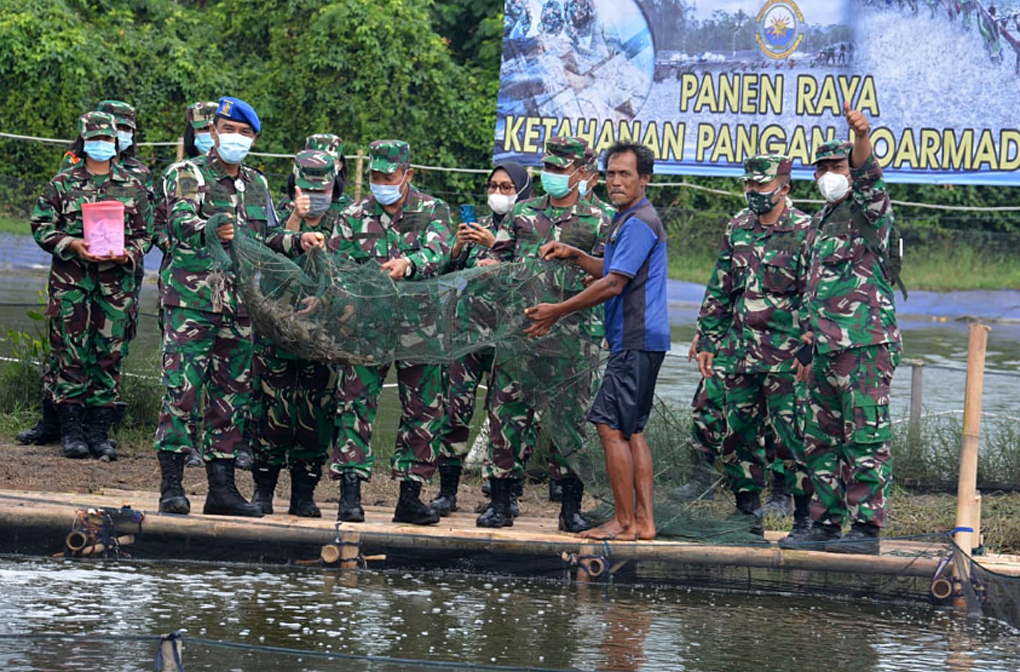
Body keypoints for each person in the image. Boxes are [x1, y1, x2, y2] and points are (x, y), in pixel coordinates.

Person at [154, 96, 324, 517]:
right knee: (182, 390)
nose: (236, 139)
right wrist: (209, 225)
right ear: (212, 132)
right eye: (229, 130)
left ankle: (222, 490)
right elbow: (179, 221)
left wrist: (296, 240)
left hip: (240, 305)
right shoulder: (187, 173)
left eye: (245, 134)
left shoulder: (257, 184)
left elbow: (263, 239)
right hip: (193, 300)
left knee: (232, 395)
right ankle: (172, 487)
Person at [524, 141, 668, 541]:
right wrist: (574, 254)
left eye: (625, 174)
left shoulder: (639, 221)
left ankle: (623, 522)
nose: (616, 182)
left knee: (608, 426)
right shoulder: (627, 218)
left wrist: (556, 310)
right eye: (610, 174)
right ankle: (643, 522)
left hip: (634, 338)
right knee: (632, 429)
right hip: (642, 339)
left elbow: (613, 283)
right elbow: (610, 266)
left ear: (645, 179)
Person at [477, 136, 610, 531]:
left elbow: (609, 272)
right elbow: (500, 257)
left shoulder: (600, 219)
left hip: (573, 337)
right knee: (506, 416)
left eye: (559, 168)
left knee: (569, 422)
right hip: (519, 334)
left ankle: (570, 508)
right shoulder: (523, 213)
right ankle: (500, 503)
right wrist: (490, 265)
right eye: (547, 168)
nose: (550, 175)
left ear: (583, 172)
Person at [787, 102, 901, 555]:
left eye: (837, 165)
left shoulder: (870, 211)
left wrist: (860, 137)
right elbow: (814, 289)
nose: (829, 173)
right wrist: (806, 342)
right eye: (822, 168)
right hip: (824, 351)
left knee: (865, 436)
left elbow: (870, 174)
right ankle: (826, 524)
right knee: (822, 439)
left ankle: (866, 530)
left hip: (864, 345)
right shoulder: (818, 222)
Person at [327, 139, 453, 526]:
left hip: (420, 326)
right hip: (365, 328)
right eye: (376, 176)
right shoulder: (352, 215)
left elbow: (439, 252)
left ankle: (411, 496)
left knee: (424, 409)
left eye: (389, 175)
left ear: (407, 174)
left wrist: (409, 264)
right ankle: (350, 493)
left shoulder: (433, 210)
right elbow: (335, 266)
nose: (382, 182)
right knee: (354, 404)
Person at [695, 155, 814, 538]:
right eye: (749, 186)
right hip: (739, 353)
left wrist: (809, 346)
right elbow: (721, 286)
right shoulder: (738, 227)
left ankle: (803, 520)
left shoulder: (806, 230)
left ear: (785, 187)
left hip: (786, 358)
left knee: (792, 437)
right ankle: (746, 514)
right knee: (738, 433)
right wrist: (709, 338)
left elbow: (814, 294)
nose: (754, 193)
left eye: (761, 186)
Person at [30, 110, 151, 461]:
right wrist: (71, 245)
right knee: (71, 352)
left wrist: (128, 252)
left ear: (117, 143)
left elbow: (148, 234)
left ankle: (100, 433)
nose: (102, 145)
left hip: (116, 286)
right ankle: (71, 432)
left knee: (109, 354)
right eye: (95, 139)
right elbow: (40, 225)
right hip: (72, 284)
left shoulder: (133, 185)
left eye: (108, 139)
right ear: (84, 141)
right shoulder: (62, 183)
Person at [429, 161, 532, 516]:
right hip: (468, 333)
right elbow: (447, 276)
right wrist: (457, 250)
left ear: (521, 191)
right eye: (494, 186)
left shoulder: (530, 228)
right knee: (454, 408)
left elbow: (533, 275)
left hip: (510, 337)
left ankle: (506, 495)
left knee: (508, 416)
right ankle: (447, 491)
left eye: (506, 187)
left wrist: (498, 246)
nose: (498, 193)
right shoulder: (478, 226)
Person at [249, 150, 343, 518]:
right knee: (271, 412)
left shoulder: (346, 224)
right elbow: (266, 256)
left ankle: (304, 493)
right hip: (276, 337)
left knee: (317, 414)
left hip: (322, 341)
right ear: (295, 185)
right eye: (307, 187)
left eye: (323, 188)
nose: (315, 194)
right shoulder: (274, 220)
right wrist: (296, 219)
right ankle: (263, 491)